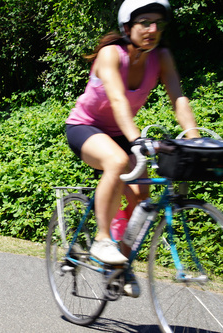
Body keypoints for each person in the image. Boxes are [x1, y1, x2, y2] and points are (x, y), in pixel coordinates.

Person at [65, 0, 199, 296]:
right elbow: (117, 99)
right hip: (85, 127)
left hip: (121, 132)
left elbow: (178, 98)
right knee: (116, 160)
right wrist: (138, 141)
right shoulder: (110, 54)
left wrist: (193, 136)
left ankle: (120, 264)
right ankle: (102, 239)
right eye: (145, 23)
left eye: (159, 24)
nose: (153, 30)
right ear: (127, 26)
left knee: (142, 196)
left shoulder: (161, 57)